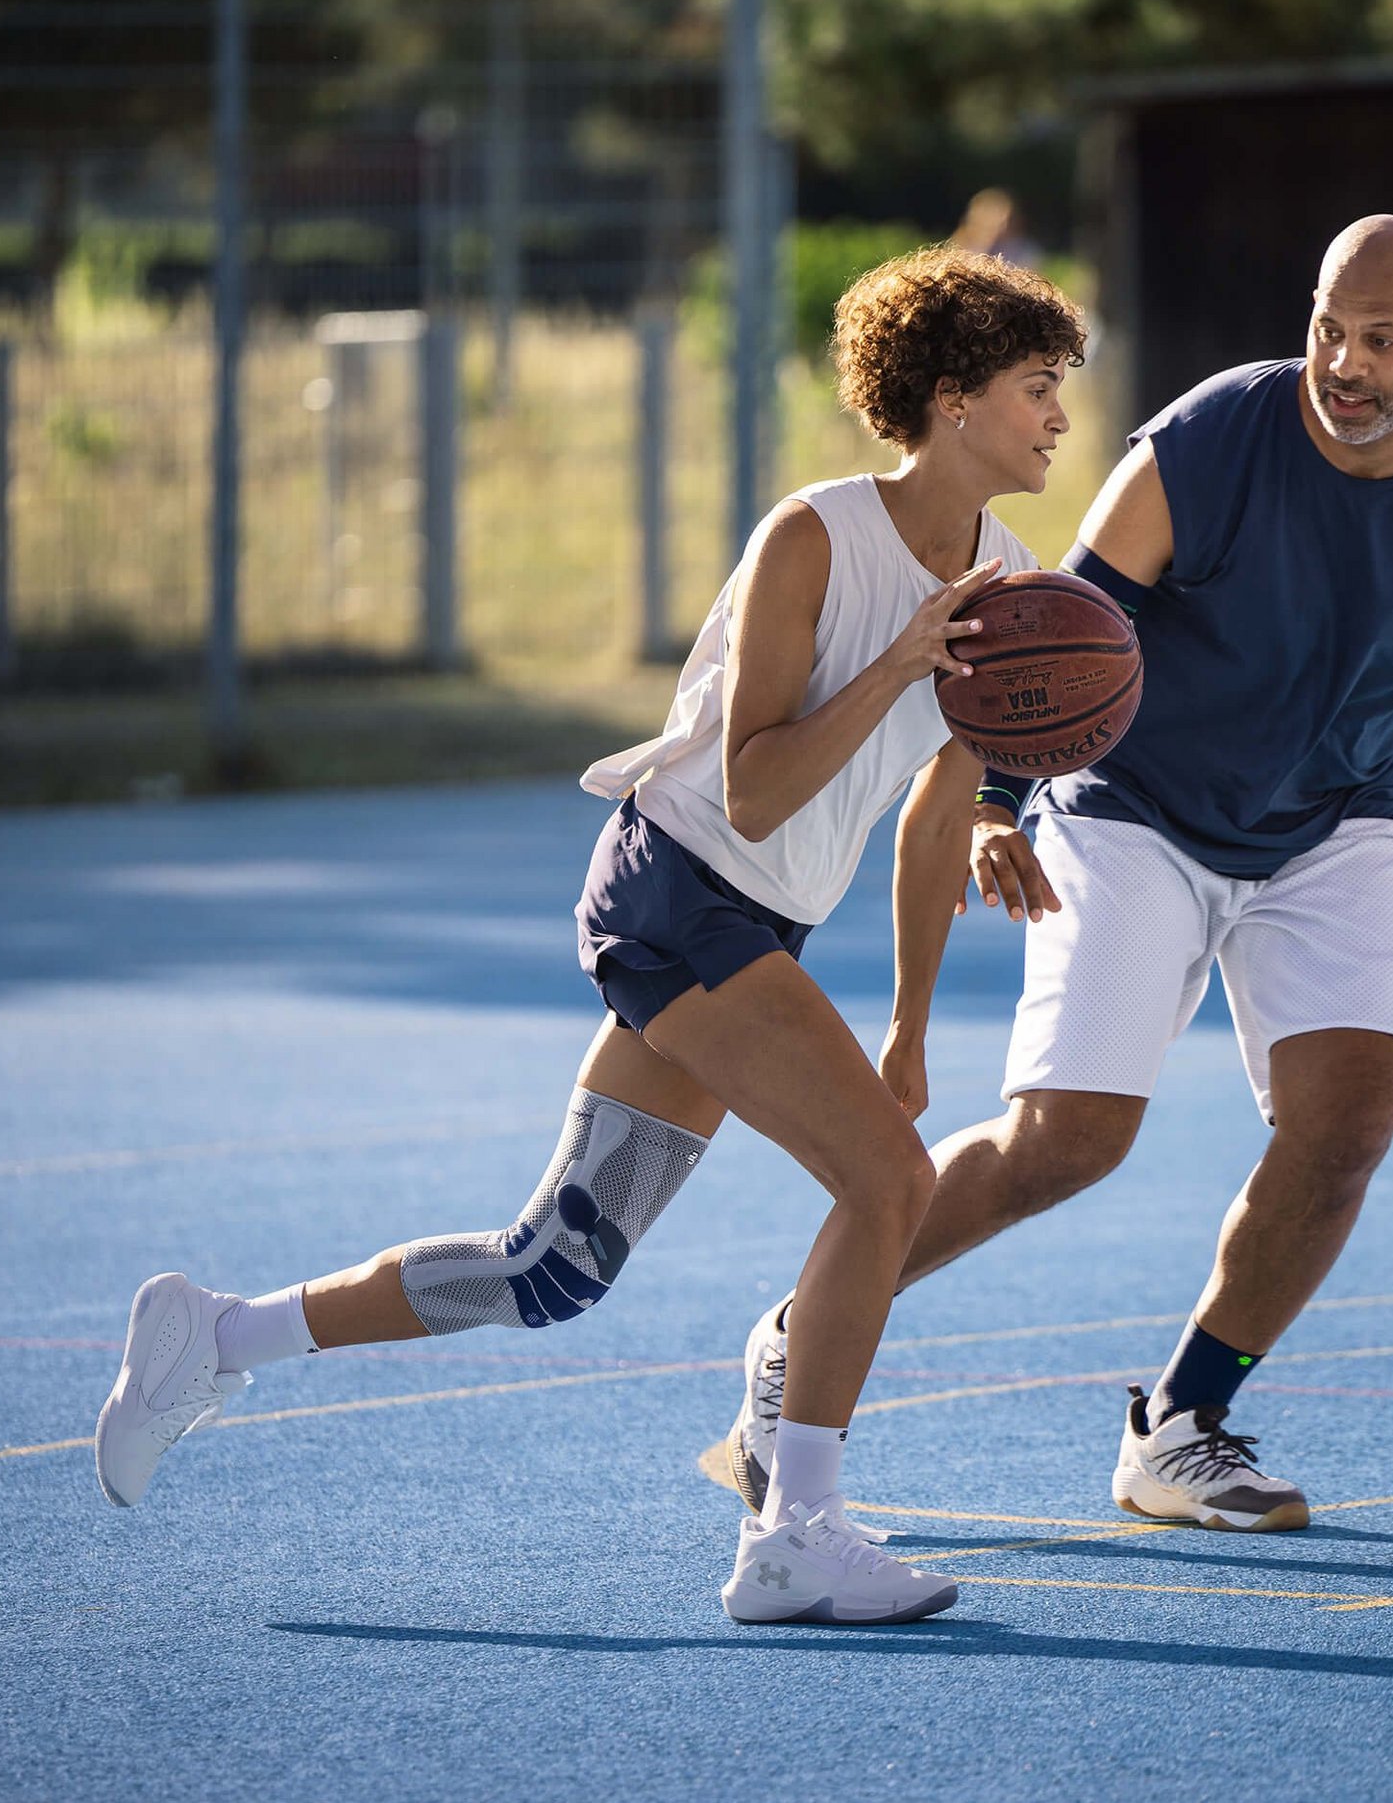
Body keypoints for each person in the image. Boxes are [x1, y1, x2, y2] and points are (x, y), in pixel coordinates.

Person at [721, 214, 1393, 1533]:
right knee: (1071, 1144)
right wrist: (997, 803)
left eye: (1381, 340)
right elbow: (1040, 633)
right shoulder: (1208, 440)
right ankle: (803, 1331)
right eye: (1327, 327)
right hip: (1133, 807)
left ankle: (1180, 1425)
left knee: (1348, 1129)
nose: (1341, 361)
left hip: (1334, 815)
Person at [94, 247, 1086, 1623]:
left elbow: (935, 820)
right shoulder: (814, 536)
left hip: (760, 924)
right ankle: (795, 1528)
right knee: (887, 1184)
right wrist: (902, 662)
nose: (1059, 417)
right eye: (1039, 386)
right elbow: (755, 785)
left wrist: (914, 1021)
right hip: (676, 887)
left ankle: (215, 1334)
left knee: (552, 1267)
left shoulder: (1014, 580)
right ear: (956, 395)